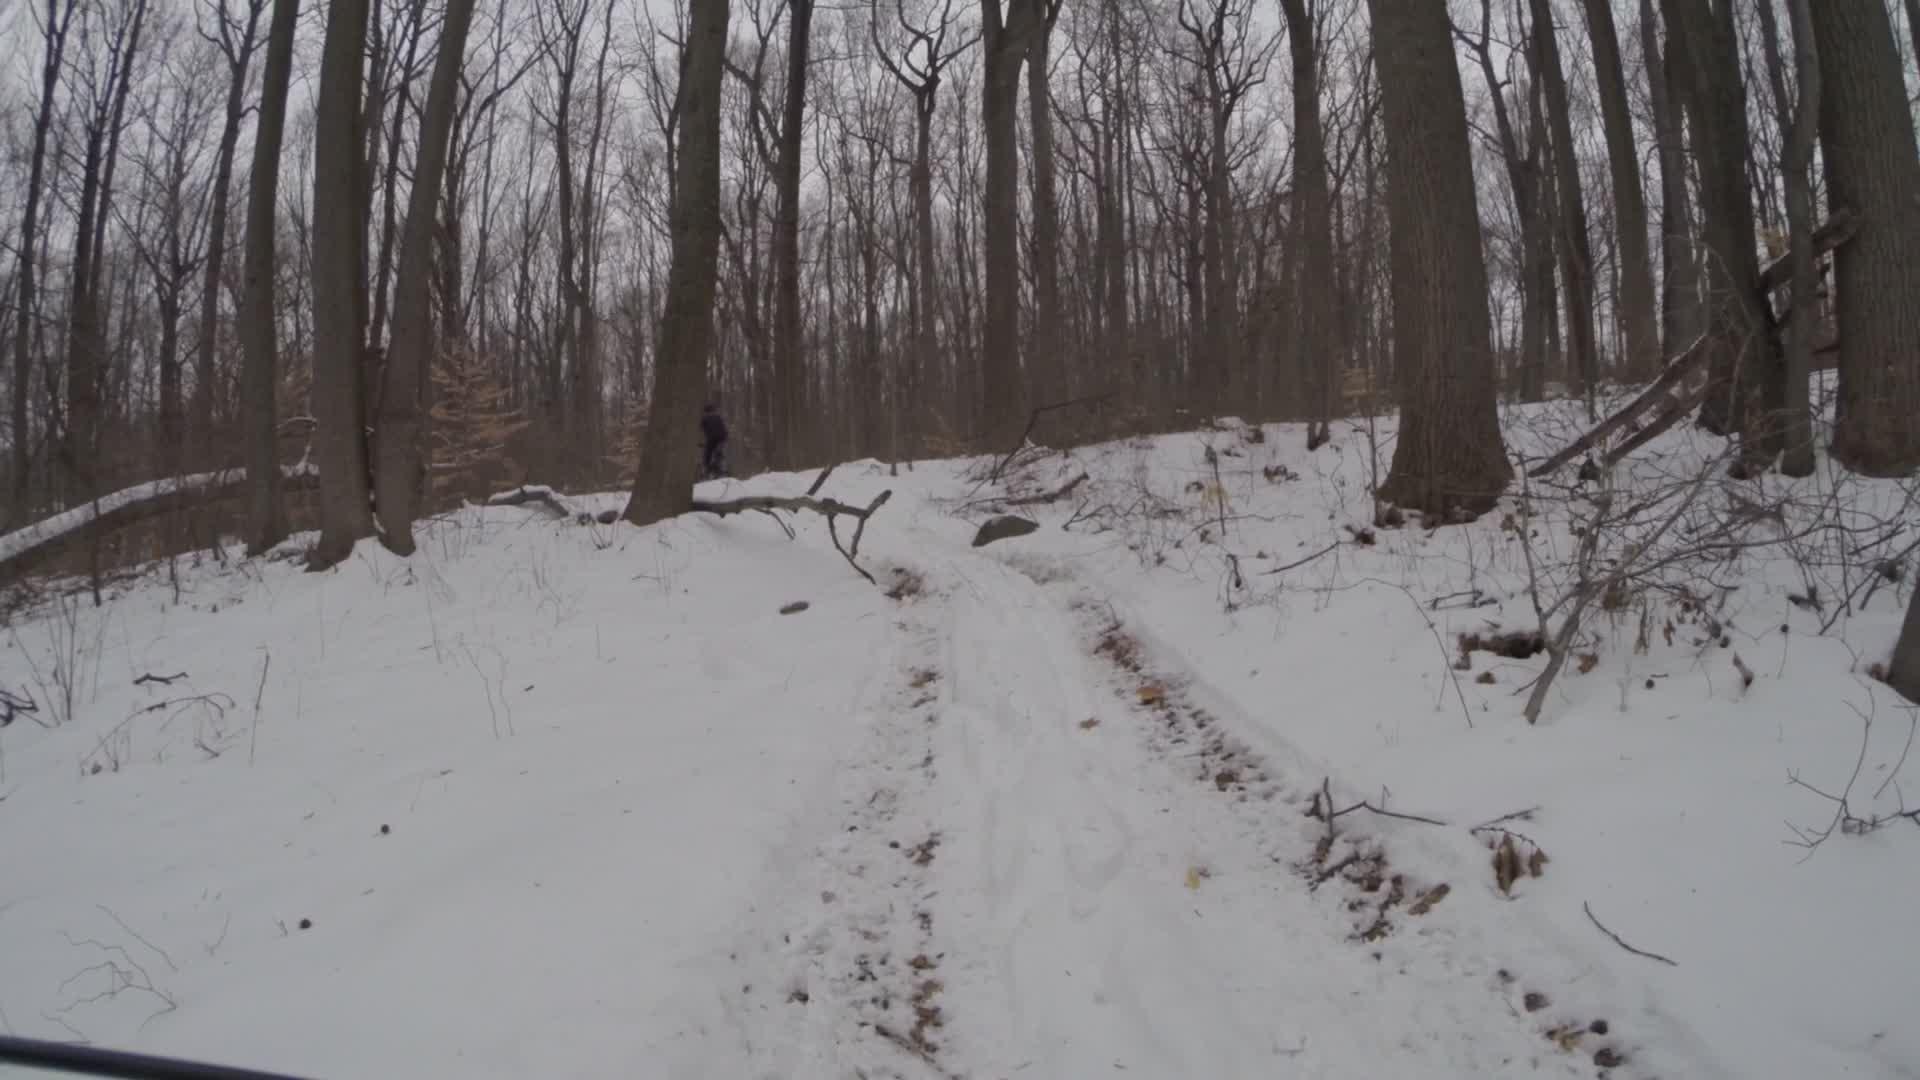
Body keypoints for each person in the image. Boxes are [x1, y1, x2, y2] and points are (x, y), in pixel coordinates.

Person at [700, 402, 729, 479]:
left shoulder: (704, 418)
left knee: (707, 454)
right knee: (720, 453)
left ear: (705, 411)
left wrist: (702, 442)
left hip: (712, 439)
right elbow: (724, 428)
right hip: (723, 438)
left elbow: (703, 430)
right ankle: (722, 468)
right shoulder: (719, 417)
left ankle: (707, 469)